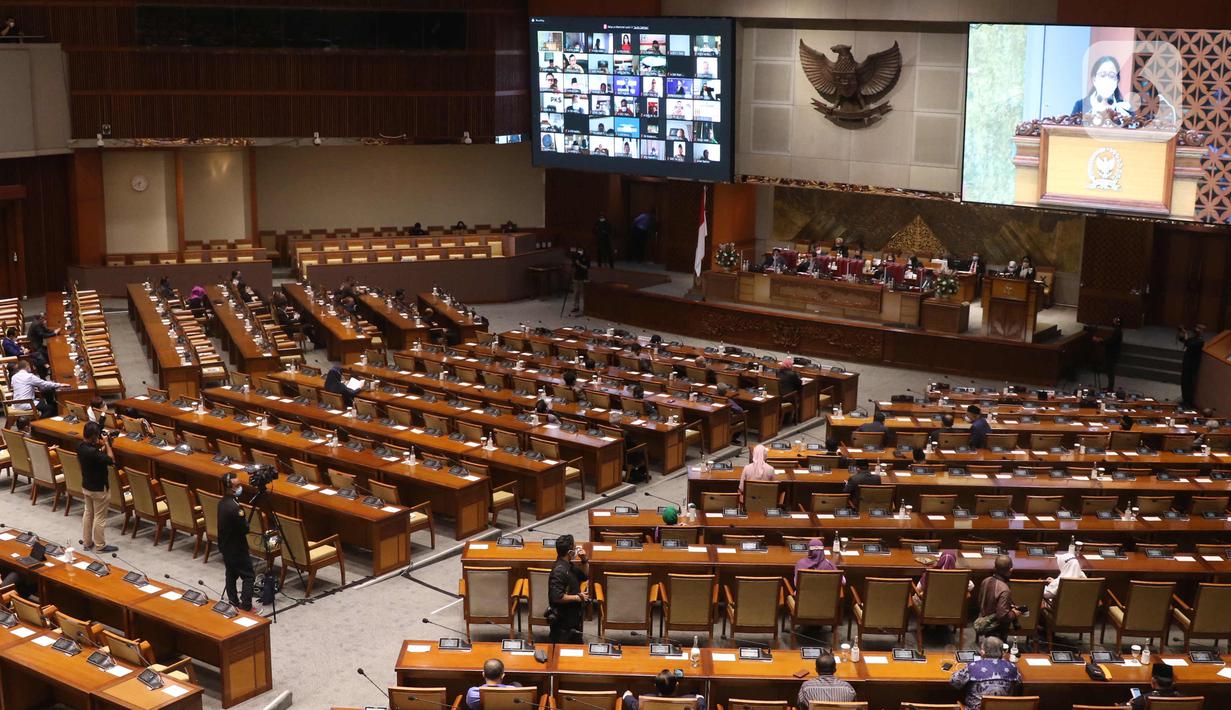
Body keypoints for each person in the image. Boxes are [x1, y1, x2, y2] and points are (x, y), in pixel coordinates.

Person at [949, 635, 1023, 710]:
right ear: (1003, 652)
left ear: (982, 652)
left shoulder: (973, 666)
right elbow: (1018, 684)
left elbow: (954, 682)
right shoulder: (1012, 667)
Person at [78, 421, 118, 553]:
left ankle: (87, 542)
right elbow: (111, 460)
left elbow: (96, 455)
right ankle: (100, 545)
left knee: (88, 513)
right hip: (99, 489)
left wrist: (102, 447)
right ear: (94, 436)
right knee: (100, 518)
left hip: (87, 486)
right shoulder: (93, 453)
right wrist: (107, 443)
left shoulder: (81, 447)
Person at [217, 472, 255, 611]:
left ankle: (233, 601)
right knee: (249, 576)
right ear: (231, 488)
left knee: (231, 574)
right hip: (237, 548)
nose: (240, 487)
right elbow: (244, 529)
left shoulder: (222, 503)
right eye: (238, 485)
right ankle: (246, 607)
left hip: (225, 546)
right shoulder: (235, 508)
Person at [547, 534, 589, 643]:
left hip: (573, 619)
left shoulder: (568, 565)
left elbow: (584, 576)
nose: (576, 550)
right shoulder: (559, 571)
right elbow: (557, 597)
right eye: (575, 548)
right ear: (570, 552)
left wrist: (584, 560)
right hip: (562, 625)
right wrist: (577, 597)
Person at [1071, 55, 1133, 119]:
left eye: (1111, 75)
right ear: (1094, 80)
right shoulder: (1081, 106)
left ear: (1117, 81)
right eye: (1102, 75)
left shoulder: (1126, 108)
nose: (1107, 80)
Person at [975, 555, 1021, 640]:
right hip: (997, 629)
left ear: (994, 568)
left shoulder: (985, 580)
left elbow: (979, 601)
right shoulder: (1004, 589)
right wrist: (1014, 613)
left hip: (983, 619)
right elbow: (1002, 616)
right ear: (1010, 570)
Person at [623, 670, 706, 710]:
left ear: (655, 686)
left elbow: (631, 702)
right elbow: (701, 703)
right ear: (677, 685)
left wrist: (627, 694)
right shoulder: (690, 700)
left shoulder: (645, 700)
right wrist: (699, 697)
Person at [1178, 325, 1205, 408]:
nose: (1196, 330)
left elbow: (1188, 343)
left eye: (1199, 329)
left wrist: (1186, 334)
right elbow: (1182, 340)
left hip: (1192, 366)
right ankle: (1185, 400)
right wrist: (1182, 333)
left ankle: (1189, 402)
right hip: (1187, 364)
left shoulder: (1200, 341)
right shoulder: (1193, 338)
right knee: (1184, 383)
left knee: (1189, 384)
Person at [1101, 316, 1123, 390]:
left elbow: (1112, 341)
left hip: (1112, 354)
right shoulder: (1117, 330)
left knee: (1110, 371)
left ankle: (1110, 388)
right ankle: (1109, 387)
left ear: (1117, 322)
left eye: (1114, 321)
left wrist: (1101, 341)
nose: (1112, 322)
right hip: (1113, 352)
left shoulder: (1117, 331)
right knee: (1110, 371)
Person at [568, 247, 590, 317]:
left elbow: (586, 267)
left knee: (583, 293)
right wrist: (574, 262)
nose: (579, 252)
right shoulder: (576, 257)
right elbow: (573, 266)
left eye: (581, 250)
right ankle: (576, 307)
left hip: (583, 277)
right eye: (578, 250)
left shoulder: (586, 257)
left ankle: (585, 308)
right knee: (576, 292)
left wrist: (579, 264)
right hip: (576, 276)